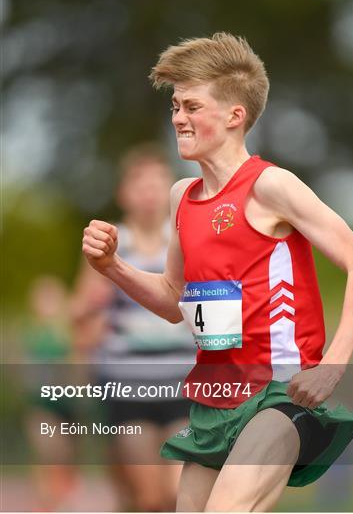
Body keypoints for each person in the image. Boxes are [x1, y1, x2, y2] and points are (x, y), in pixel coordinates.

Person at [82, 33, 353, 512]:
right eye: (175, 107)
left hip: (280, 395)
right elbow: (171, 299)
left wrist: (333, 363)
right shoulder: (181, 196)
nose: (178, 117)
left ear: (234, 115)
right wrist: (112, 267)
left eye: (191, 106)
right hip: (215, 398)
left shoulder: (271, 186)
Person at [72, 146, 194, 512]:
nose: (149, 193)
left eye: (157, 183)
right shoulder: (109, 243)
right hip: (127, 389)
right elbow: (79, 314)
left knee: (181, 494)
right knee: (148, 497)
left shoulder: (185, 239)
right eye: (140, 185)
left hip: (182, 388)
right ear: (124, 193)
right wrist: (89, 308)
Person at [22, 276, 79, 511]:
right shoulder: (32, 334)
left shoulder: (70, 334)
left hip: (67, 408)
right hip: (40, 406)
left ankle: (61, 497)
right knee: (46, 451)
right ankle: (44, 502)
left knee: (64, 455)